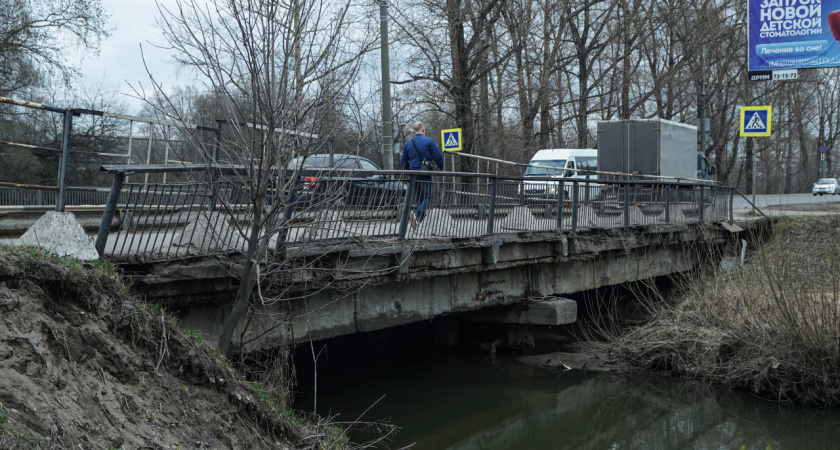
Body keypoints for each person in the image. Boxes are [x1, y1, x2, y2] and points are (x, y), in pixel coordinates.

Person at [400, 121, 444, 228]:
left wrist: (408, 170)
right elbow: (437, 156)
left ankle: (419, 221)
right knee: (428, 197)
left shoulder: (408, 144)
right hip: (425, 173)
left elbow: (403, 161)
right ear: (423, 129)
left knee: (419, 196)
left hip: (413, 174)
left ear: (414, 131)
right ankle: (417, 214)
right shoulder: (428, 141)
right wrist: (441, 167)